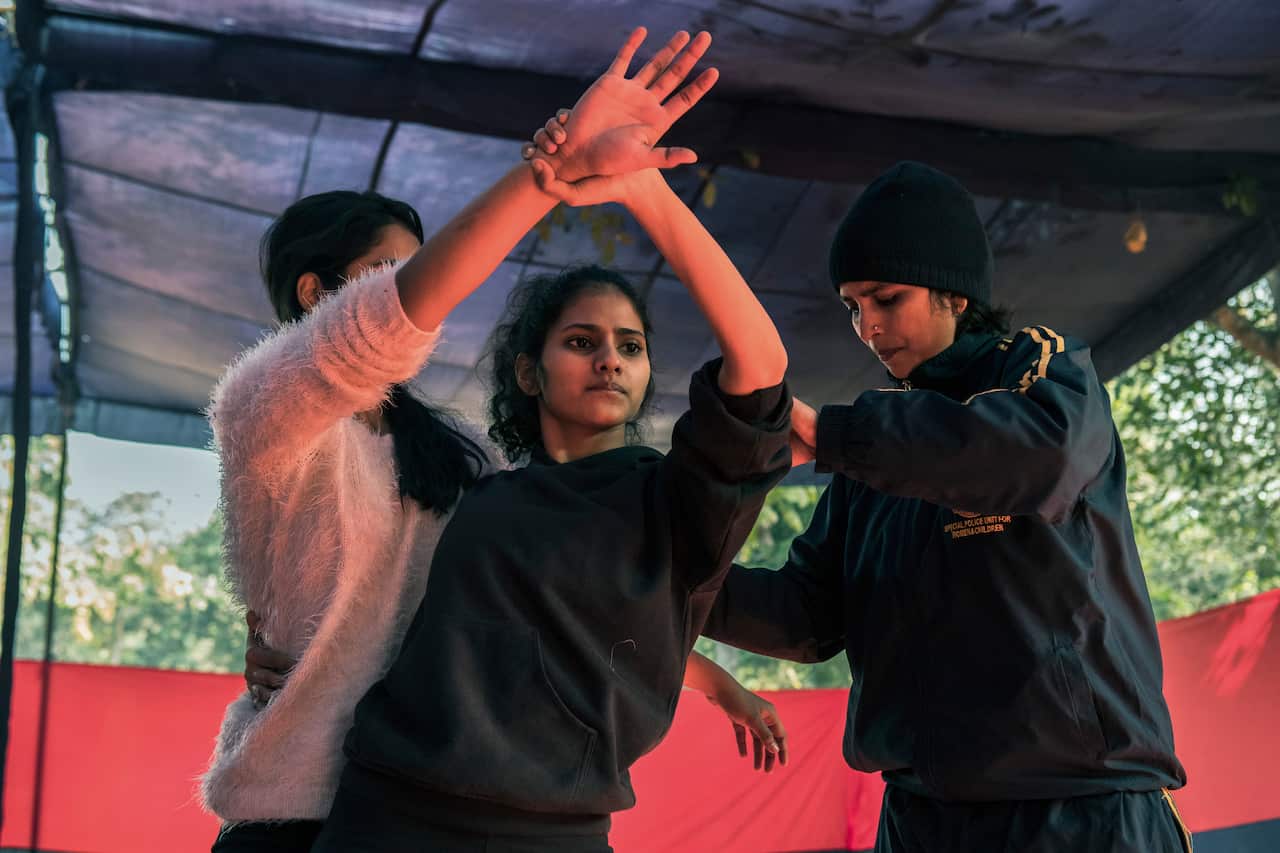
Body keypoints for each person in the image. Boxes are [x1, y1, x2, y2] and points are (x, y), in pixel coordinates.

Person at [202, 28, 785, 853]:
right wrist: (547, 176)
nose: (423, 293)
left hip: (414, 807)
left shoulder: (461, 462)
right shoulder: (260, 407)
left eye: (629, 346)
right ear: (319, 295)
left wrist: (714, 680)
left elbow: (557, 600)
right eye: (393, 273)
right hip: (298, 811)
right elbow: (384, 329)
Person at [708, 161, 1192, 852]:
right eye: (852, 306)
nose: (867, 325)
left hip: (1082, 810)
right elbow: (807, 616)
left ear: (955, 294)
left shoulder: (1045, 371)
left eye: (886, 297)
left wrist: (834, 435)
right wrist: (676, 574)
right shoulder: (870, 461)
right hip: (921, 817)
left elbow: (1041, 457)